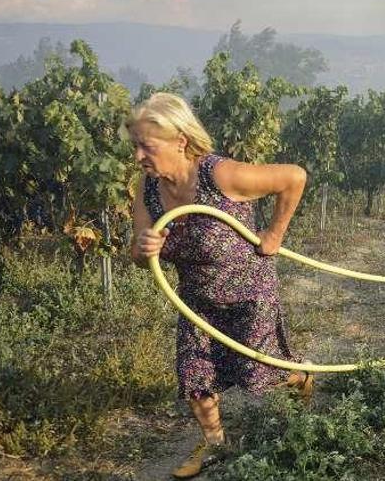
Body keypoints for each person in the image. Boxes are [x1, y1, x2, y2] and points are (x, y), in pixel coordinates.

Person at [128, 93, 309, 478]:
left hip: (248, 291)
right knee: (195, 375)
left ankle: (301, 375)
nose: (139, 156)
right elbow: (138, 251)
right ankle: (213, 444)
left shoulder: (219, 174)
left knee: (262, 373)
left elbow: (294, 177)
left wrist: (275, 233)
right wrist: (145, 248)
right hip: (196, 297)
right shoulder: (146, 190)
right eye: (135, 146)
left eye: (147, 146)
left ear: (180, 141)